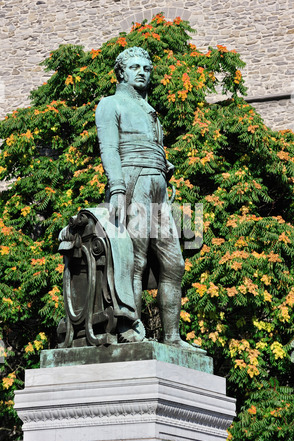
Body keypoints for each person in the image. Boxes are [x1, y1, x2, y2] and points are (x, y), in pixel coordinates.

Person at [95, 47, 196, 349]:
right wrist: (116, 188)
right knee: (135, 261)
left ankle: (173, 338)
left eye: (147, 67)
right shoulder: (110, 104)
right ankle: (130, 329)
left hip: (158, 186)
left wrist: (163, 165)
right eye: (135, 66)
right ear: (121, 72)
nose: (142, 72)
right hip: (132, 181)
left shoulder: (150, 111)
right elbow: (110, 149)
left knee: (174, 264)